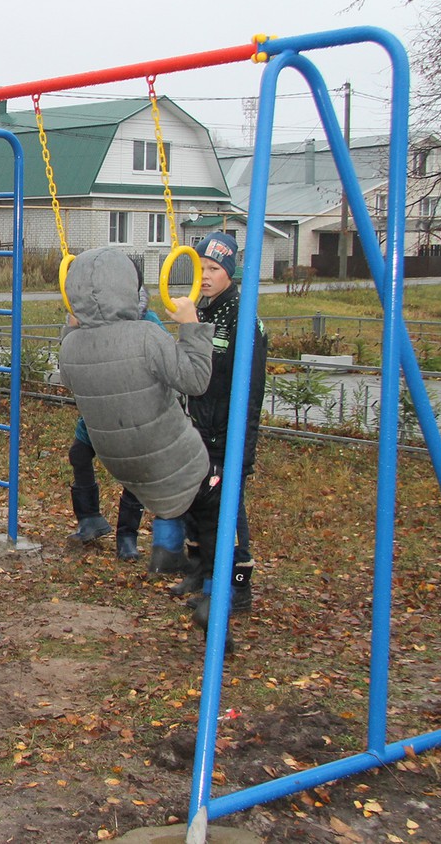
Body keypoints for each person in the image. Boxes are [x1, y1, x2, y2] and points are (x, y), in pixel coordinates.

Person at [58, 247, 213, 526]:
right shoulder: (146, 335)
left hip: (118, 463)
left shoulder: (70, 346)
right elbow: (196, 380)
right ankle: (206, 561)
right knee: (214, 496)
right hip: (171, 458)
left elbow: (69, 379)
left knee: (188, 502)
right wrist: (191, 325)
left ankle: (167, 549)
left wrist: (71, 326)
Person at [175, 232, 268, 635]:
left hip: (228, 426)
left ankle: (238, 584)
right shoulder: (205, 306)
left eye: (213, 269)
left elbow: (230, 374)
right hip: (201, 423)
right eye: (200, 268)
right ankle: (202, 571)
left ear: (229, 271)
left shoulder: (241, 314)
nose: (206, 276)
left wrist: (194, 331)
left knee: (229, 508)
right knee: (197, 498)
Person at [65, 285, 164, 562]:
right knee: (79, 453)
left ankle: (127, 537)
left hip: (134, 415)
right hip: (99, 409)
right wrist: (72, 328)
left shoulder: (148, 323)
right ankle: (90, 519)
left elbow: (164, 361)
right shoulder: (94, 319)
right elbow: (71, 365)